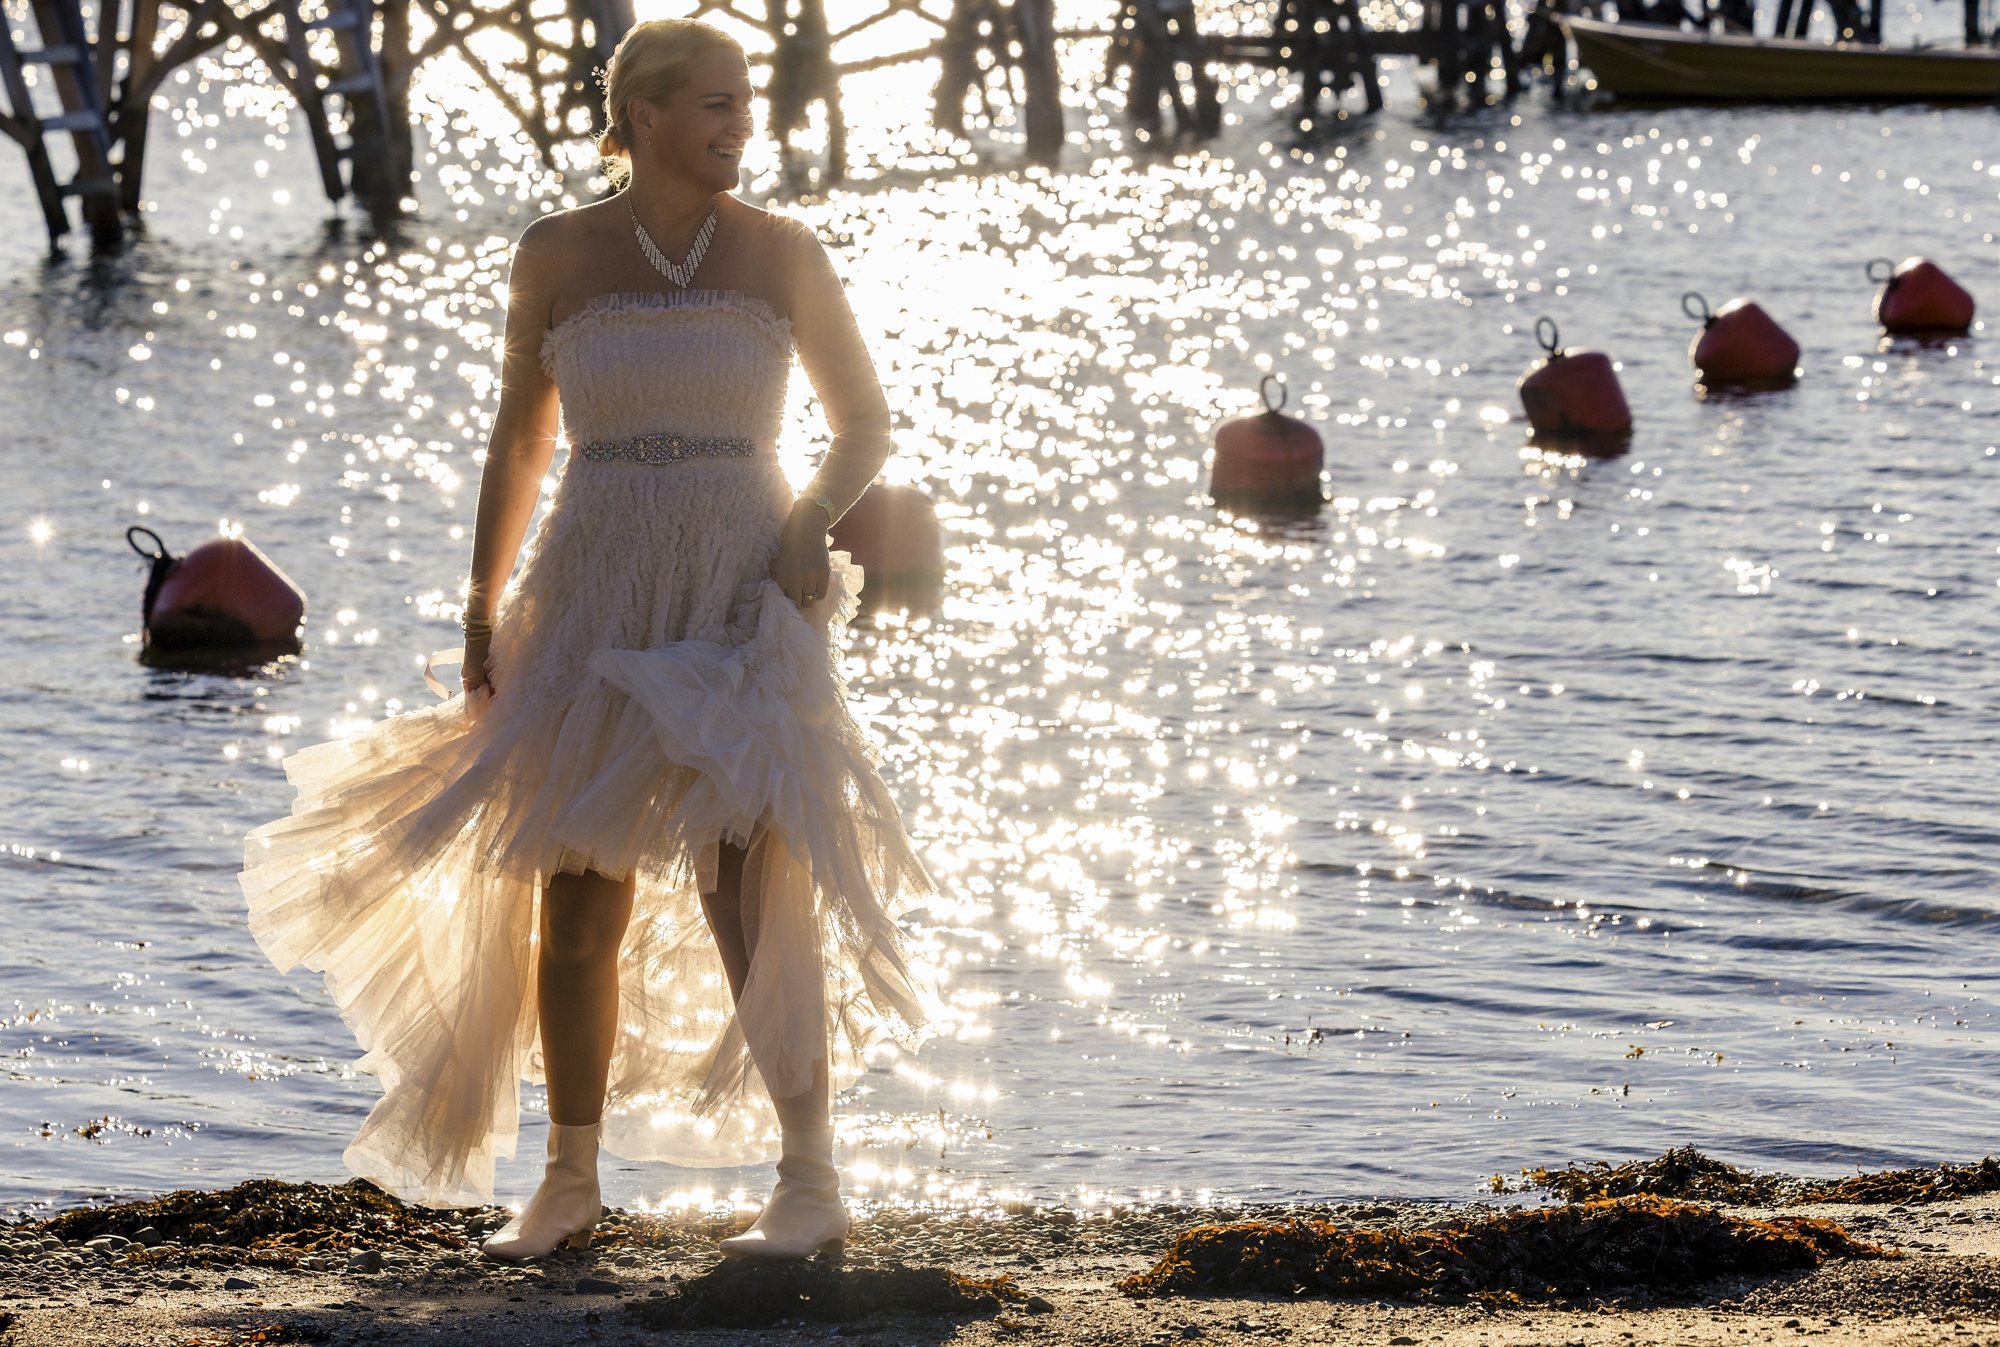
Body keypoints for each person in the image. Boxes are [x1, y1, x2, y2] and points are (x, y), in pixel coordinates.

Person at [239, 16, 948, 1264]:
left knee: (747, 883)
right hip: (592, 575)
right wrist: (478, 604)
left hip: (737, 579)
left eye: (746, 104)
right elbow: (519, 439)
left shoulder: (781, 251)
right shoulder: (555, 253)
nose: (743, 125)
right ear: (647, 116)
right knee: (574, 895)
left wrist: (806, 520)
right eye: (718, 106)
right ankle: (567, 1182)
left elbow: (864, 424)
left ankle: (810, 1179)